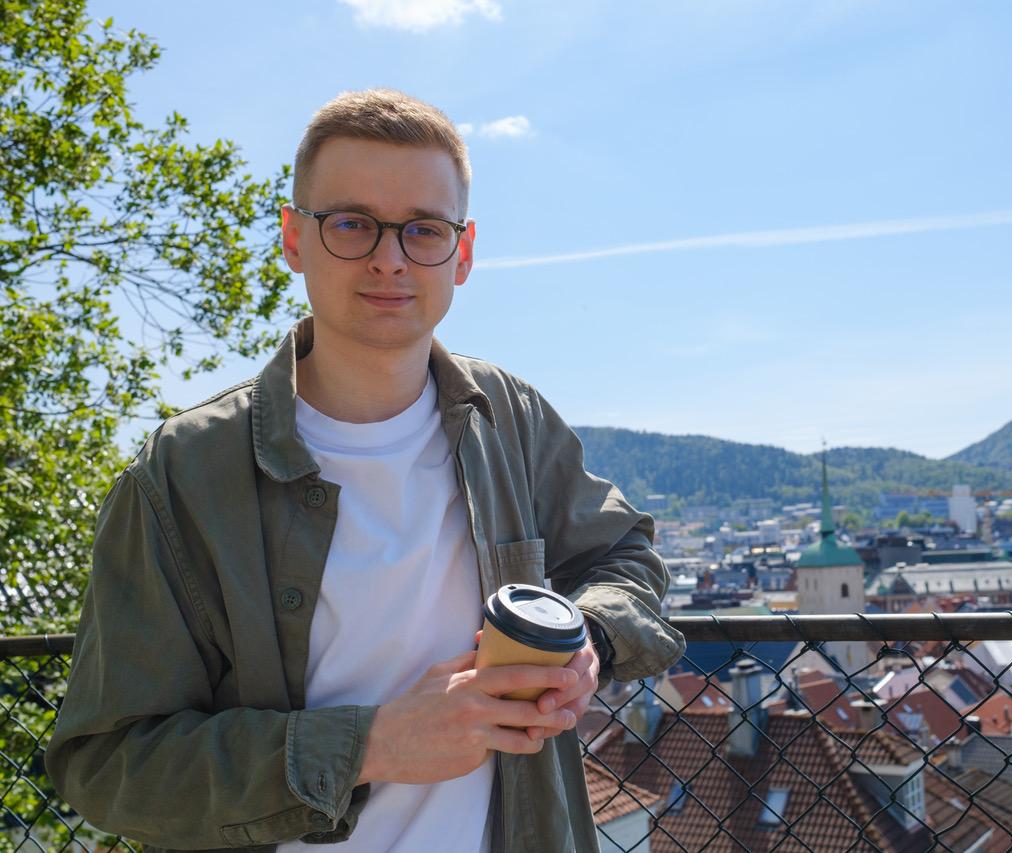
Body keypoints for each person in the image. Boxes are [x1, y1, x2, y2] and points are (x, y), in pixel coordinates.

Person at [46, 89, 684, 853]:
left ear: (463, 252)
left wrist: (589, 641)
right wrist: (372, 744)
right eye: (351, 223)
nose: (390, 257)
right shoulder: (183, 471)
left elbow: (626, 559)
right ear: (293, 237)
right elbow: (111, 764)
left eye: (424, 229)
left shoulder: (507, 418)